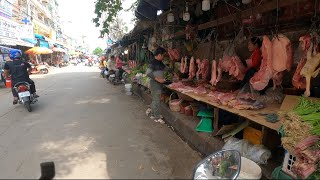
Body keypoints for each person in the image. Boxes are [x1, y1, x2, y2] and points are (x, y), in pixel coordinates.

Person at [145, 47, 173, 124]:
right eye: (163, 55)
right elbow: (148, 73)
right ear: (159, 55)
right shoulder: (153, 62)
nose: (164, 57)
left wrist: (174, 71)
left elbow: (166, 68)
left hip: (159, 84)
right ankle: (156, 117)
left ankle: (152, 113)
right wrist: (158, 79)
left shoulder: (160, 63)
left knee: (156, 100)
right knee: (156, 100)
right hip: (155, 84)